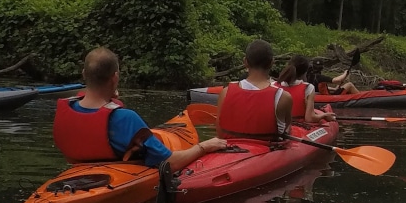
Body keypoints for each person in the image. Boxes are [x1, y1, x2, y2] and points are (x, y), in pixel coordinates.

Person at [52, 47, 228, 167]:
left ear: (84, 74)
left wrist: (109, 99)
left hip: (76, 176)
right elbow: (169, 163)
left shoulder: (66, 107)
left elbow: (96, 119)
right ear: (115, 77)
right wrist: (204, 147)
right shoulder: (125, 118)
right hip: (117, 181)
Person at [216, 40, 295, 140]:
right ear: (272, 63)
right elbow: (287, 129)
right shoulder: (283, 97)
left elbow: (219, 132)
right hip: (267, 151)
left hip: (229, 150)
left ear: (245, 62)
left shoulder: (225, 92)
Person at [276, 54, 337, 124]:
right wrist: (324, 115)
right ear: (305, 72)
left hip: (278, 125)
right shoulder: (308, 88)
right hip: (298, 124)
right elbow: (309, 118)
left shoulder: (273, 84)